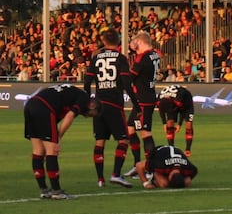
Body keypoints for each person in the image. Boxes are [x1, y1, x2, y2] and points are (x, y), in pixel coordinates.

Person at [84, 28, 142, 188]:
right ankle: (116, 174)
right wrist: (136, 105)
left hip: (99, 104)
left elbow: (87, 82)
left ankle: (100, 179)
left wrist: (87, 102)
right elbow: (126, 83)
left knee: (100, 141)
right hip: (114, 104)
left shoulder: (95, 58)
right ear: (118, 41)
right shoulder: (121, 58)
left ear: (103, 41)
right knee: (123, 139)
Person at [24, 84, 102, 199]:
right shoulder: (84, 99)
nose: (87, 117)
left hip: (30, 105)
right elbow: (69, 116)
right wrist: (58, 137)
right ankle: (57, 191)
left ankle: (44, 190)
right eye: (91, 115)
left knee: (38, 151)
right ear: (92, 105)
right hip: (44, 107)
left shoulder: (72, 94)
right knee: (52, 150)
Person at [124, 31, 160, 178]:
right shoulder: (154, 54)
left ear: (141, 42)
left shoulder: (142, 58)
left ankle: (149, 168)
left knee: (145, 133)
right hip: (145, 98)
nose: (134, 45)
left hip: (144, 100)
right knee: (130, 130)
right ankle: (137, 164)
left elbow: (130, 77)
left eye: (136, 42)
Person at [157, 85, 194, 157]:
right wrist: (164, 123)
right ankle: (171, 148)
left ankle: (187, 149)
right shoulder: (160, 101)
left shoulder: (179, 100)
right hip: (172, 103)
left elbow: (183, 110)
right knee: (169, 124)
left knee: (188, 124)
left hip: (187, 102)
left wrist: (179, 124)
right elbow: (161, 110)